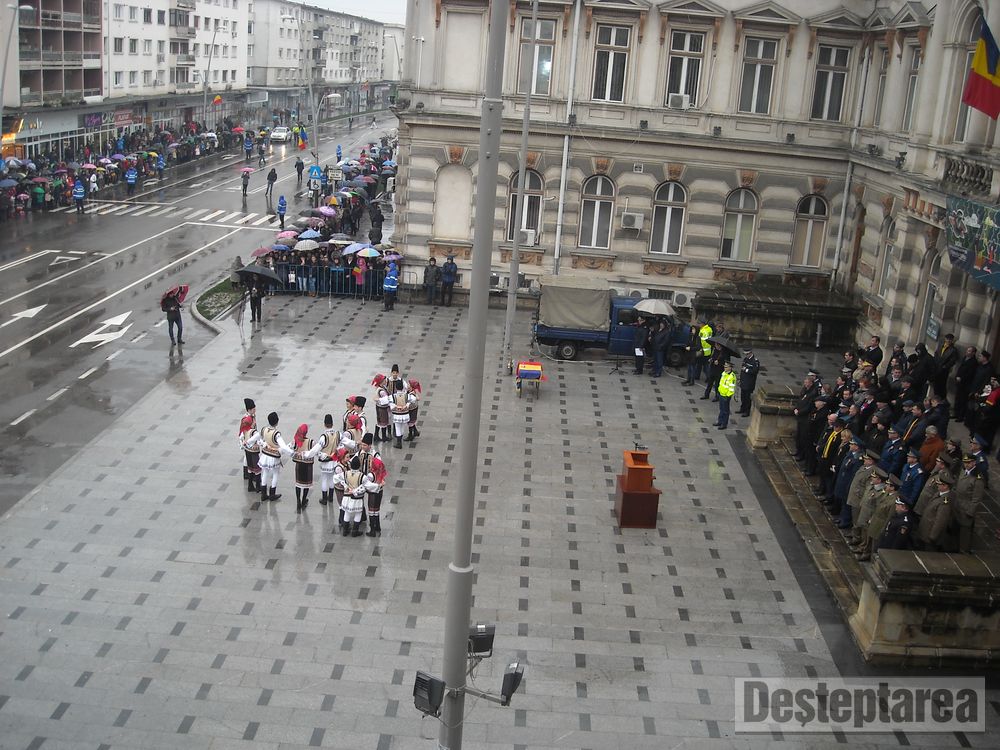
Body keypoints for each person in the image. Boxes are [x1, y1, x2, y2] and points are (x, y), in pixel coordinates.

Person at [257, 411, 293, 502]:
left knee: (265, 473)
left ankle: (263, 494)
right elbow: (283, 446)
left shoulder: (264, 429)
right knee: (275, 474)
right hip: (274, 457)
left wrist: (250, 442)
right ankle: (272, 494)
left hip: (265, 455)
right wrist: (292, 453)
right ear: (277, 421)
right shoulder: (276, 434)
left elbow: (257, 438)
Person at [954, 453, 986, 553]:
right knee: (956, 529)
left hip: (966, 509)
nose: (966, 465)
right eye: (965, 462)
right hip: (957, 505)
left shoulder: (977, 478)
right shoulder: (963, 471)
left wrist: (970, 512)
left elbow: (976, 498)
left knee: (965, 533)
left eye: (968, 463)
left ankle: (964, 551)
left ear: (974, 462)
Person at [291, 424, 323, 513]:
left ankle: (298, 500)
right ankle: (304, 500)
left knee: (298, 483)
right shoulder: (311, 442)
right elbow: (316, 451)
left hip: (299, 465)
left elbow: (290, 448)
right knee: (306, 484)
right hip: (308, 466)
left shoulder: (296, 440)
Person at [239, 398, 261, 493]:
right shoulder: (247, 419)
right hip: (249, 442)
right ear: (248, 410)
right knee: (253, 463)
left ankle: (249, 480)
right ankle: (252, 480)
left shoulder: (251, 416)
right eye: (253, 409)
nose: (255, 410)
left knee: (249, 462)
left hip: (250, 441)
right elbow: (244, 431)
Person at [933, 333, 959, 398]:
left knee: (942, 385)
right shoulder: (940, 346)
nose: (948, 341)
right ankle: (935, 397)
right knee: (935, 384)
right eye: (947, 339)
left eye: (950, 339)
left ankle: (941, 398)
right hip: (937, 368)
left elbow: (953, 361)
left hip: (943, 371)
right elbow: (936, 354)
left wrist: (945, 367)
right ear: (945, 339)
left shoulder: (953, 350)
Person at [738, 347, 761, 417]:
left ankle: (747, 411)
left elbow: (755, 371)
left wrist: (746, 370)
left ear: (750, 353)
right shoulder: (745, 359)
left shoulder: (755, 361)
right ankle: (742, 409)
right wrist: (740, 379)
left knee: (747, 398)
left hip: (749, 383)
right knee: (743, 397)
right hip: (744, 382)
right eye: (745, 354)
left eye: (747, 354)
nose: (746, 355)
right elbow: (742, 370)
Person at [715, 361, 737, 430]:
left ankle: (724, 424)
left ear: (730, 368)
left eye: (726, 367)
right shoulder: (724, 373)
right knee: (721, 409)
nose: (724, 368)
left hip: (726, 396)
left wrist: (727, 396)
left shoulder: (732, 376)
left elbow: (731, 388)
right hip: (721, 394)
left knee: (725, 411)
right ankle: (720, 421)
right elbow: (721, 383)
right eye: (724, 367)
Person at [372, 374, 393, 442]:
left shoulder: (380, 387)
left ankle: (376, 436)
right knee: (384, 422)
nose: (385, 381)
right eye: (384, 380)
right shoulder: (382, 391)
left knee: (379, 422)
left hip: (379, 407)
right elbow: (386, 401)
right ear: (381, 381)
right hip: (383, 408)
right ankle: (384, 437)